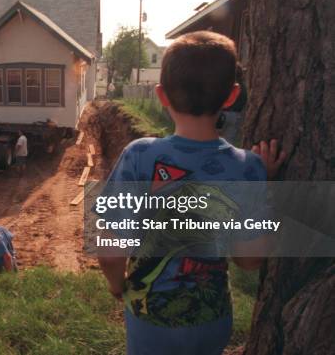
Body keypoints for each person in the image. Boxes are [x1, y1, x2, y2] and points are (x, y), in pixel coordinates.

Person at [97, 31, 285, 355]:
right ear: (231, 96)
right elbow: (250, 260)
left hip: (150, 321)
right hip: (210, 319)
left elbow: (111, 250)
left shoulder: (138, 155)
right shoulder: (248, 167)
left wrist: (117, 286)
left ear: (161, 95)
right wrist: (262, 186)